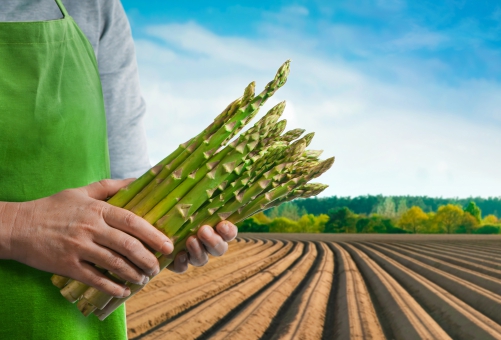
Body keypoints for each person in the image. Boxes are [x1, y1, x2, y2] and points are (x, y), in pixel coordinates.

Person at [0, 0, 238, 338]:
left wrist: (166, 237)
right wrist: (15, 227)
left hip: (72, 325)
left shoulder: (95, 8)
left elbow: (127, 190)